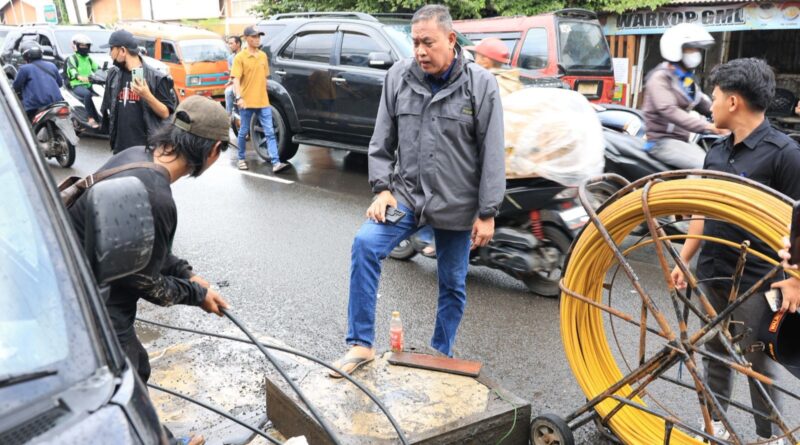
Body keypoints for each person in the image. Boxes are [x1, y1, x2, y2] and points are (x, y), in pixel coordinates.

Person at [330, 4, 505, 376]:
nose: (421, 51)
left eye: (429, 42)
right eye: (415, 43)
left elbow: (492, 153)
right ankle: (360, 345)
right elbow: (381, 142)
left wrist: (487, 212)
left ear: (451, 40)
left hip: (457, 202)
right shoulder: (399, 77)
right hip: (408, 195)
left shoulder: (480, 85)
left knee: (452, 283)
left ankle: (439, 352)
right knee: (365, 244)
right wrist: (382, 189)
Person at [671, 58, 800, 445]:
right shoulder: (716, 152)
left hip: (758, 276)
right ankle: (717, 425)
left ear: (732, 102)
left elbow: (799, 220)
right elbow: (703, 208)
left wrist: (794, 280)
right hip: (714, 267)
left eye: (713, 97)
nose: (709, 105)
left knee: (756, 357)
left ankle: (770, 436)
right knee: (714, 349)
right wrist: (686, 256)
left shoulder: (784, 154)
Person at [69, 95, 231, 388]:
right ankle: (152, 435)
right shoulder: (156, 196)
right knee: (126, 385)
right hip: (91, 301)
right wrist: (197, 295)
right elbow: (149, 283)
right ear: (214, 150)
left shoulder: (134, 155)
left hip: (80, 274)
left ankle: (158, 435)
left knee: (136, 366)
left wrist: (187, 274)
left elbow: (138, 244)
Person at [642, 23, 728, 170]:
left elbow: (704, 103)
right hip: (661, 142)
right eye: (690, 49)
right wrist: (709, 127)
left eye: (696, 49)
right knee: (705, 167)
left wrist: (729, 117)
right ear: (675, 50)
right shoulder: (660, 78)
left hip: (681, 140)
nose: (695, 53)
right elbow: (669, 110)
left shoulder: (686, 79)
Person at [101, 29, 176, 154]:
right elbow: (110, 109)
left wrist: (146, 95)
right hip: (120, 149)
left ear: (123, 51)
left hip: (146, 149)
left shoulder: (156, 77)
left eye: (111, 49)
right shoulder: (113, 75)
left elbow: (165, 114)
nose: (110, 54)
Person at [231, 25, 287, 173]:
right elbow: (236, 79)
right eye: (254, 37)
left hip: (263, 101)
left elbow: (265, 79)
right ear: (246, 39)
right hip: (246, 101)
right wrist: (239, 98)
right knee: (243, 132)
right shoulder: (240, 58)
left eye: (258, 36)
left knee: (270, 132)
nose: (257, 39)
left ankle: (276, 162)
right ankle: (241, 159)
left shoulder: (262, 56)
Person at [12, 41, 64, 122]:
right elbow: (60, 84)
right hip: (56, 103)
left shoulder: (24, 69)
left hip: (35, 106)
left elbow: (15, 87)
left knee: (26, 124)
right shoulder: (52, 65)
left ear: (25, 57)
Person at [65, 33, 101, 128]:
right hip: (77, 85)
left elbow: (97, 68)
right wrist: (80, 77)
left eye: (86, 46)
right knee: (87, 94)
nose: (84, 47)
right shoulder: (72, 59)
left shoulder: (88, 58)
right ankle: (90, 118)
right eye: (82, 45)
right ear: (75, 46)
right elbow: (73, 72)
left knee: (102, 94)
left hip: (89, 84)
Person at [224, 35, 241, 118]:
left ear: (238, 44)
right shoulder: (230, 58)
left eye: (231, 43)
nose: (229, 46)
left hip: (245, 82)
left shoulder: (244, 55)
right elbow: (232, 74)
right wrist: (230, 80)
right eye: (229, 44)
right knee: (228, 91)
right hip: (236, 82)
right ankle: (228, 116)